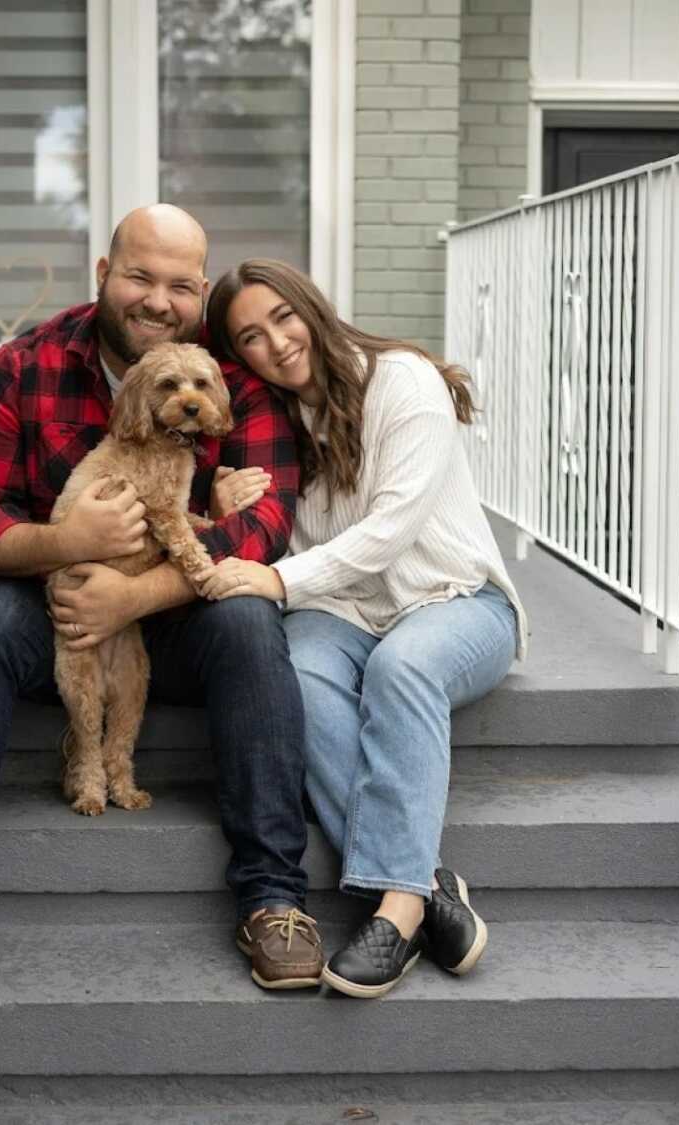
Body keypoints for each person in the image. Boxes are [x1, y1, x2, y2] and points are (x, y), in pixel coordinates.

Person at [0, 207, 325, 993]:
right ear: (105, 274)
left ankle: (274, 897)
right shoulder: (24, 366)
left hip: (181, 612)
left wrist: (135, 594)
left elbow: (268, 525)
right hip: (59, 602)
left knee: (251, 620)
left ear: (200, 293)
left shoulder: (228, 379)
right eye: (141, 276)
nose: (160, 300)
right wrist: (68, 544)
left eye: (181, 285)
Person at [200, 258, 528, 998]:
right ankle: (429, 883)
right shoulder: (271, 421)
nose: (277, 343)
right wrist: (228, 504)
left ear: (311, 307)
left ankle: (398, 910)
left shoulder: (403, 381)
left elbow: (388, 530)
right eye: (250, 336)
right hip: (345, 613)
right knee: (301, 676)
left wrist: (278, 579)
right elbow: (274, 531)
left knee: (401, 668)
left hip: (457, 602)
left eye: (283, 318)